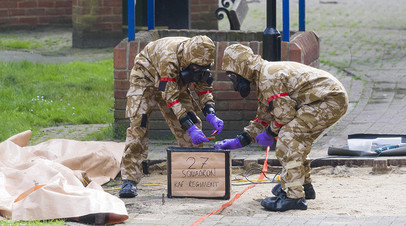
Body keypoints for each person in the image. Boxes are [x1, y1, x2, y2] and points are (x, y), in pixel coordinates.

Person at [215, 44, 348, 211]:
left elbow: (285, 116)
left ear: (240, 70)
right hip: (326, 99)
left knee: (289, 137)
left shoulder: (267, 78)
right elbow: (263, 116)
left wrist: (270, 133)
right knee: (298, 139)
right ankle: (303, 186)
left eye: (232, 76)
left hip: (329, 99)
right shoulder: (262, 76)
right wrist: (241, 139)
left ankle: (293, 197)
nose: (233, 82)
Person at [120, 36, 224, 198]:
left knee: (191, 123)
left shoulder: (201, 57)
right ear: (188, 61)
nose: (200, 70)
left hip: (174, 82)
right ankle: (129, 179)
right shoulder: (169, 59)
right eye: (197, 68)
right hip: (145, 78)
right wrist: (190, 126)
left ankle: (193, 176)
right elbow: (170, 98)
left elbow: (203, 87)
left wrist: (210, 113)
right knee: (138, 125)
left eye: (204, 68)